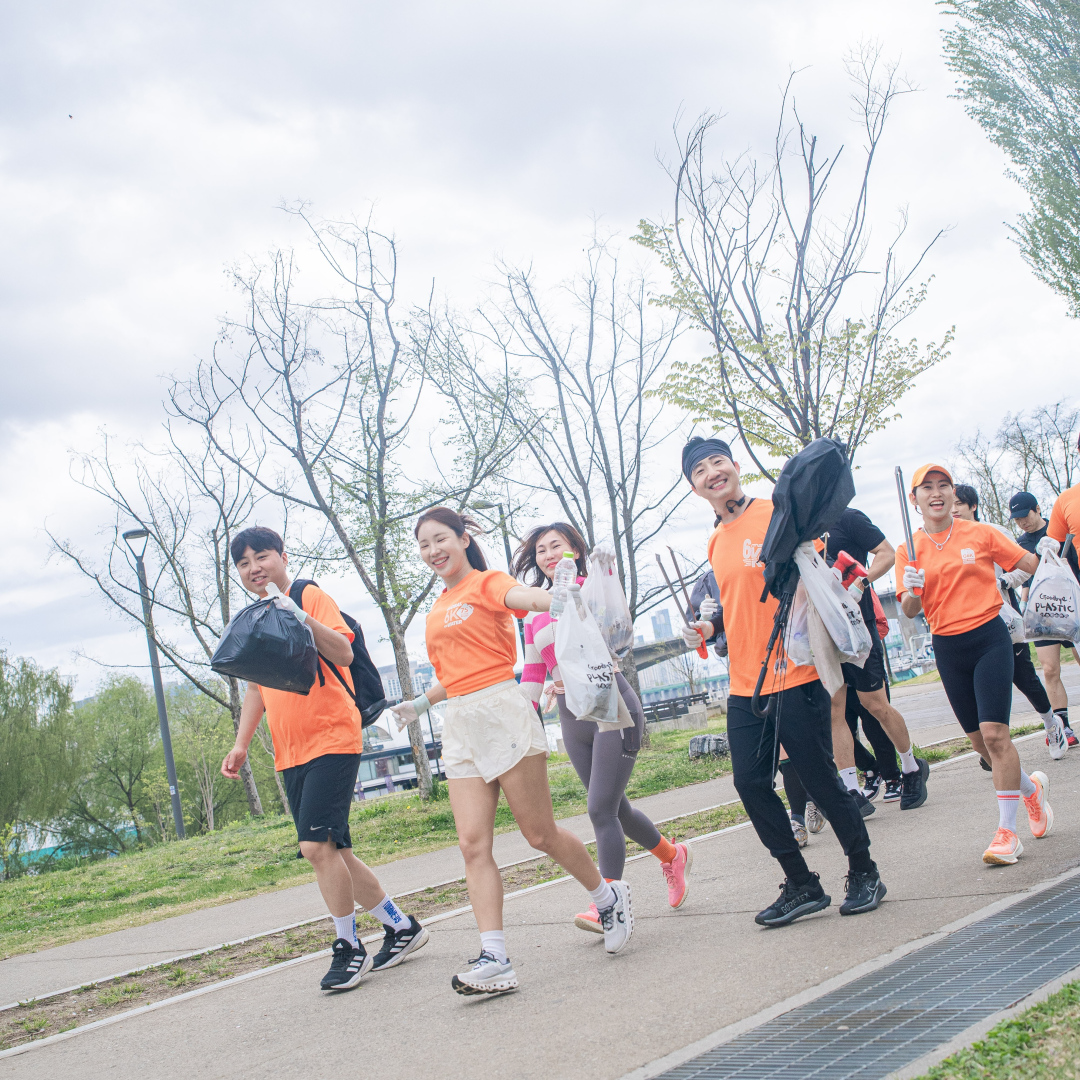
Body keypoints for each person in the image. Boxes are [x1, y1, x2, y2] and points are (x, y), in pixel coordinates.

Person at [390, 508, 633, 996]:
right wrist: (418, 705)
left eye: (441, 539)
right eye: (424, 544)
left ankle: (608, 898)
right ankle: (495, 958)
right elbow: (456, 672)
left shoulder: (487, 582)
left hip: (502, 712)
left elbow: (525, 598)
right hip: (460, 723)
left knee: (539, 834)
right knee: (472, 844)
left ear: (463, 540)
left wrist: (556, 596)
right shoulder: (438, 606)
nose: (433, 550)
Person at [679, 436, 885, 925]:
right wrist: (708, 628)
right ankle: (801, 883)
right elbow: (737, 606)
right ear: (694, 487)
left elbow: (816, 570)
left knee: (819, 779)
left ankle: (864, 870)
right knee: (750, 783)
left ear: (735, 467)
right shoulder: (715, 540)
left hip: (795, 671)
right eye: (700, 470)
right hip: (745, 683)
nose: (712, 472)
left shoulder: (778, 513)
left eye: (718, 462)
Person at [220, 526, 428, 992]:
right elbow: (256, 688)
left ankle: (349, 946)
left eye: (261, 556)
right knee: (335, 851)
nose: (254, 568)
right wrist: (241, 744)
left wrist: (298, 615)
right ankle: (400, 927)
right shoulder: (255, 616)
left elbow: (343, 650)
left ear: (282, 556)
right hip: (290, 750)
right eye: (244, 563)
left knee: (315, 848)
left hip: (332, 738)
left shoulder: (308, 595)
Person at [512, 523, 692, 932]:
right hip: (572, 717)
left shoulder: (590, 587)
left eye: (556, 546)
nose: (548, 554)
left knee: (599, 809)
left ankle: (607, 904)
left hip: (612, 705)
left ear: (574, 550)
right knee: (617, 809)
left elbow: (618, 633)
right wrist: (521, 711)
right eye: (541, 550)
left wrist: (605, 573)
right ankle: (672, 856)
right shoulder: (534, 609)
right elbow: (534, 671)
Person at [896, 466, 1056, 866]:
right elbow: (910, 609)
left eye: (943, 486)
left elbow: (1030, 564)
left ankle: (1007, 833)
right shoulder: (908, 550)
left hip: (989, 638)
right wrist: (912, 589)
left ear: (954, 494)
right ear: (915, 499)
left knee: (996, 735)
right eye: (927, 488)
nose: (936, 493)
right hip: (947, 647)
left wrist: (1050, 553)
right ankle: (1031, 791)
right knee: (982, 745)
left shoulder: (980, 534)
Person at [823, 508, 929, 812]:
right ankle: (851, 789)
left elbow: (886, 552)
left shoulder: (846, 517)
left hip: (857, 623)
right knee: (834, 709)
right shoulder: (798, 525)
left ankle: (911, 768)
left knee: (875, 705)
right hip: (823, 628)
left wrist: (861, 582)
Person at [952, 487, 1072, 754]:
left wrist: (1003, 581)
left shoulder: (994, 532)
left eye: (959, 503)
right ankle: (991, 745)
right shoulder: (945, 541)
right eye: (951, 504)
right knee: (983, 687)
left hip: (1005, 617)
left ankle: (1052, 724)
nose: (953, 510)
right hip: (966, 624)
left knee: (1025, 677)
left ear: (973, 506)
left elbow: (1024, 569)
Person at [1008, 489, 1080, 747]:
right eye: (1017, 519)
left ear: (1038, 509)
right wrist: (1024, 604)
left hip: (1071, 607)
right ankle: (1064, 726)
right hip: (1043, 613)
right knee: (1049, 669)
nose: (1022, 522)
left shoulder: (1060, 531)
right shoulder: (1020, 544)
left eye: (1025, 516)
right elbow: (1025, 579)